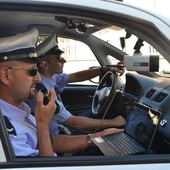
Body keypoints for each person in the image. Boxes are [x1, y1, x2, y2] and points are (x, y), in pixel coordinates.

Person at [0, 28, 123, 157]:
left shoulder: (20, 109)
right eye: (32, 72)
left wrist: (97, 137)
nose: (38, 78)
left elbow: (50, 142)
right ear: (6, 75)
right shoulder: (6, 131)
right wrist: (42, 123)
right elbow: (45, 168)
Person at [26, 33, 126, 137]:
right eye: (58, 58)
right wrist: (113, 122)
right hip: (56, 137)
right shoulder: (42, 92)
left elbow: (77, 76)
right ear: (45, 65)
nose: (64, 60)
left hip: (62, 128)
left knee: (94, 115)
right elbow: (74, 123)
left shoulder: (51, 77)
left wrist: (104, 69)